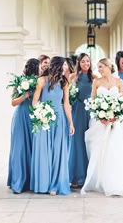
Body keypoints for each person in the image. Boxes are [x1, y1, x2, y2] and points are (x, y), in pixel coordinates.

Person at [81, 58, 123, 196]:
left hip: (117, 121)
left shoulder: (119, 82)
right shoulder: (96, 82)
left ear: (109, 66)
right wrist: (100, 116)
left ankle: (119, 181)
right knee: (101, 149)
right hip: (101, 122)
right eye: (98, 67)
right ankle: (102, 180)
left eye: (101, 66)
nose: (99, 69)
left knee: (117, 149)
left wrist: (116, 115)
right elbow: (92, 101)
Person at [30, 56, 75, 195]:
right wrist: (42, 113)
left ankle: (55, 185)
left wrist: (71, 122)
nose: (67, 68)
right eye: (65, 65)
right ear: (58, 66)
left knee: (57, 152)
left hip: (59, 119)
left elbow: (66, 103)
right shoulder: (42, 80)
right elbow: (34, 102)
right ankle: (44, 183)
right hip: (44, 120)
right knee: (44, 152)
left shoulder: (64, 82)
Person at [7, 58, 40, 193]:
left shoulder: (40, 81)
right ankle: (18, 181)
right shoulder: (19, 81)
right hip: (21, 116)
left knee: (33, 148)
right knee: (19, 148)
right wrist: (24, 96)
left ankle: (31, 182)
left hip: (34, 116)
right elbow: (13, 102)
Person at [68, 53, 97, 188]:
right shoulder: (73, 77)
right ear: (79, 63)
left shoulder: (95, 77)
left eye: (88, 61)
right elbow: (66, 94)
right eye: (83, 61)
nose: (86, 64)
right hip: (77, 111)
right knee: (77, 142)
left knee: (90, 142)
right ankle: (76, 176)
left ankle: (89, 176)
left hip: (90, 112)